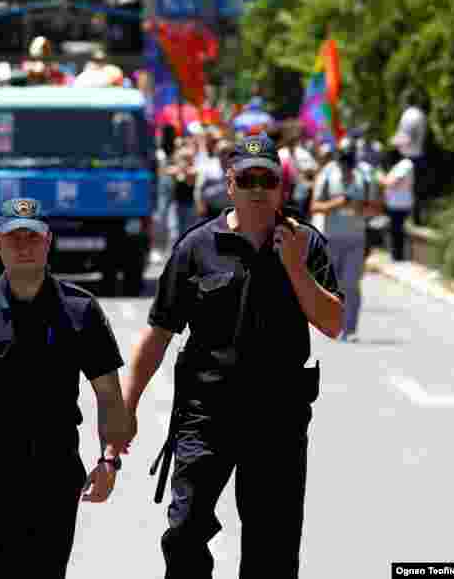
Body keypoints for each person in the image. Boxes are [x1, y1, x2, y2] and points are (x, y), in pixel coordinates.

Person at [123, 134, 344, 579]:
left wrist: (296, 268)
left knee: (272, 547)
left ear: (282, 186)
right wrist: (124, 408)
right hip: (207, 414)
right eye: (248, 179)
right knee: (184, 532)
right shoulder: (196, 247)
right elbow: (159, 332)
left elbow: (333, 322)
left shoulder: (306, 243)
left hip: (278, 416)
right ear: (230, 184)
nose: (258, 189)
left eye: (268, 179)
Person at [0, 197, 135, 579]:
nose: (23, 245)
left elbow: (109, 395)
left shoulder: (79, 310)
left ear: (48, 241)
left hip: (54, 474)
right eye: (13, 237)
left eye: (32, 236)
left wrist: (109, 460)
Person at [310, 137, 381, 342]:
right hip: (332, 239)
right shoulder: (328, 174)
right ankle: (333, 324)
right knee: (333, 286)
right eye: (343, 160)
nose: (346, 165)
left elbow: (376, 207)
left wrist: (361, 208)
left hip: (356, 239)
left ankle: (350, 330)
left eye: (350, 160)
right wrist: (337, 203)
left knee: (351, 284)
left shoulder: (365, 176)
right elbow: (315, 206)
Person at [381, 133, 415, 262]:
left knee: (398, 231)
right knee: (395, 231)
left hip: (401, 204)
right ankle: (396, 257)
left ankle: (400, 258)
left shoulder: (406, 164)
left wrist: (381, 179)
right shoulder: (398, 165)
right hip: (394, 203)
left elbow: (391, 182)